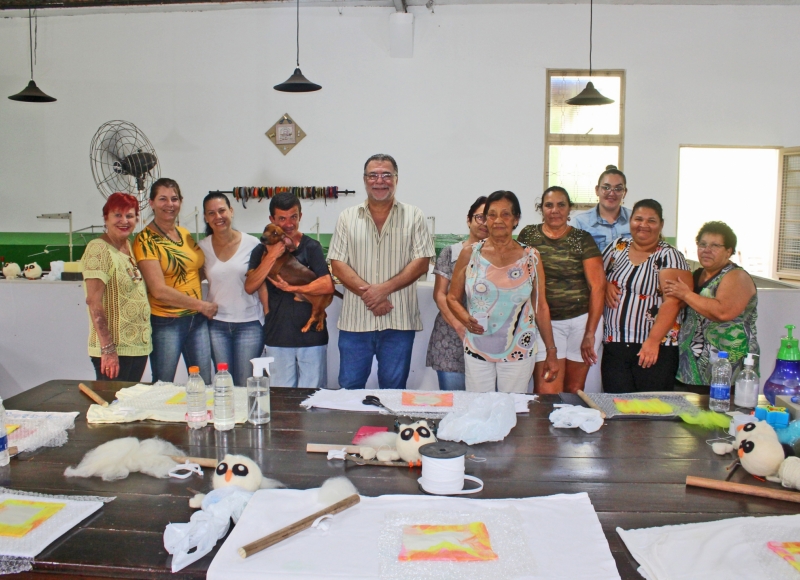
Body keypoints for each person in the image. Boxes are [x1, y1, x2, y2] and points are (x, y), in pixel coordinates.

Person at [328, 154, 435, 390]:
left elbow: (422, 261)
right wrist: (372, 296)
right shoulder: (347, 217)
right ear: (364, 179)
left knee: (394, 391)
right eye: (373, 175)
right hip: (355, 322)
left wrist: (383, 290)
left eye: (386, 175)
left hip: (398, 321)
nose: (380, 181)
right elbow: (337, 263)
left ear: (396, 179)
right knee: (348, 389)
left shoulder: (414, 216)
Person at [447, 190, 559, 393]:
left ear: (516, 219)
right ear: (485, 219)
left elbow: (541, 306)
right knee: (480, 407)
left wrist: (551, 350)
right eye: (492, 215)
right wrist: (465, 319)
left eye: (505, 214)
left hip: (519, 349)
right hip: (477, 347)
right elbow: (452, 297)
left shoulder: (531, 257)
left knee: (512, 406)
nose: (498, 220)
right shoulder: (470, 254)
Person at [517, 187, 605, 394]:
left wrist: (590, 333)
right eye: (549, 205)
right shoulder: (528, 235)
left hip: (581, 322)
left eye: (561, 205)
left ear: (569, 209)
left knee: (574, 389)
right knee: (547, 392)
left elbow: (597, 287)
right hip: (543, 324)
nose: (555, 210)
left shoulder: (582, 239)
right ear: (541, 209)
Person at [602, 199, 692, 393]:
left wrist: (652, 341)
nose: (643, 225)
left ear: (661, 224)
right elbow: (595, 276)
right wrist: (605, 284)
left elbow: (674, 302)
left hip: (653, 348)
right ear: (630, 221)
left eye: (651, 220)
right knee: (615, 406)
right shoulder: (618, 246)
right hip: (615, 345)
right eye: (638, 219)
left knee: (650, 406)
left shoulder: (669, 256)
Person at [245, 192, 333, 388]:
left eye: (293, 217)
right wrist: (271, 255)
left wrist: (294, 288)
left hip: (312, 337)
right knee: (281, 400)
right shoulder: (260, 250)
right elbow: (250, 286)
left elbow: (327, 284)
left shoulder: (312, 247)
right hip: (277, 334)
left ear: (300, 216)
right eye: (282, 218)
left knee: (313, 399)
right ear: (272, 220)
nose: (289, 224)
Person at [134, 178, 216, 385]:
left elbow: (194, 271)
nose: (169, 204)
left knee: (203, 383)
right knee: (163, 384)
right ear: (151, 203)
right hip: (167, 321)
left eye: (174, 199)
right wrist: (201, 305)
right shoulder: (145, 240)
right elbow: (158, 290)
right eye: (163, 199)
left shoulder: (184, 234)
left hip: (196, 320)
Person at [664, 221, 759, 385]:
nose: (707, 250)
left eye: (715, 245)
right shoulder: (697, 274)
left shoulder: (737, 276)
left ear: (729, 251)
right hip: (691, 367)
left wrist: (686, 294)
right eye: (703, 244)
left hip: (727, 368)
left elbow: (723, 312)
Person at [81, 193, 152, 382]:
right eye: (117, 215)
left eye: (129, 216)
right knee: (112, 401)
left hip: (136, 347)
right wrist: (108, 349)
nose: (124, 221)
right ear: (106, 218)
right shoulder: (99, 249)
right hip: (114, 351)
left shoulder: (129, 247)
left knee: (130, 399)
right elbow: (93, 302)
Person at [198, 192, 264, 388]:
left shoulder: (252, 244)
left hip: (249, 324)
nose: (218, 217)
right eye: (211, 213)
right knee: (224, 384)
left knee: (245, 384)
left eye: (222, 211)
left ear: (231, 211)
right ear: (206, 218)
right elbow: (192, 279)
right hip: (216, 325)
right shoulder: (202, 248)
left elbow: (263, 284)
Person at [425, 196, 489, 391]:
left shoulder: (501, 258)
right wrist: (460, 327)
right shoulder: (450, 252)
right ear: (469, 220)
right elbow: (440, 295)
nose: (485, 223)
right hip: (451, 340)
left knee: (485, 402)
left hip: (487, 339)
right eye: (480, 217)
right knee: (453, 402)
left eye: (490, 218)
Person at [573, 165, 631, 252]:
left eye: (618, 189)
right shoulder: (580, 222)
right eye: (606, 188)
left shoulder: (635, 220)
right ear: (597, 190)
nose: (612, 193)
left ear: (624, 192)